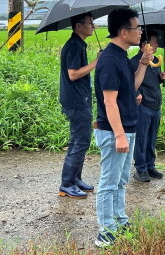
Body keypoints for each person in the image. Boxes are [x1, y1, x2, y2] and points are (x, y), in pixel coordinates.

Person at [93, 8, 153, 247]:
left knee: (120, 181)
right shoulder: (109, 59)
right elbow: (109, 101)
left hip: (128, 127)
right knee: (109, 182)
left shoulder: (122, 56)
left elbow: (132, 85)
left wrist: (143, 64)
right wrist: (119, 136)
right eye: (137, 28)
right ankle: (105, 230)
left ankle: (119, 220)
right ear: (123, 31)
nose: (140, 32)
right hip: (113, 130)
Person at [58, 12, 98, 199]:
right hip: (75, 101)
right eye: (90, 23)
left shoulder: (79, 44)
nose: (93, 26)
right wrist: (96, 62)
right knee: (80, 141)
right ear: (78, 26)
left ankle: (75, 179)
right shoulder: (74, 46)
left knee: (80, 140)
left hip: (78, 99)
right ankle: (67, 184)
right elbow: (73, 74)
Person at [130, 31, 165, 182]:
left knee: (152, 138)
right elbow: (129, 83)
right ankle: (140, 169)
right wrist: (136, 92)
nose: (157, 45)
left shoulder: (155, 61)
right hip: (143, 106)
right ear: (144, 45)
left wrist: (161, 78)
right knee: (141, 138)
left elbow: (151, 81)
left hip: (155, 105)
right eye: (154, 42)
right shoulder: (134, 62)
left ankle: (150, 166)